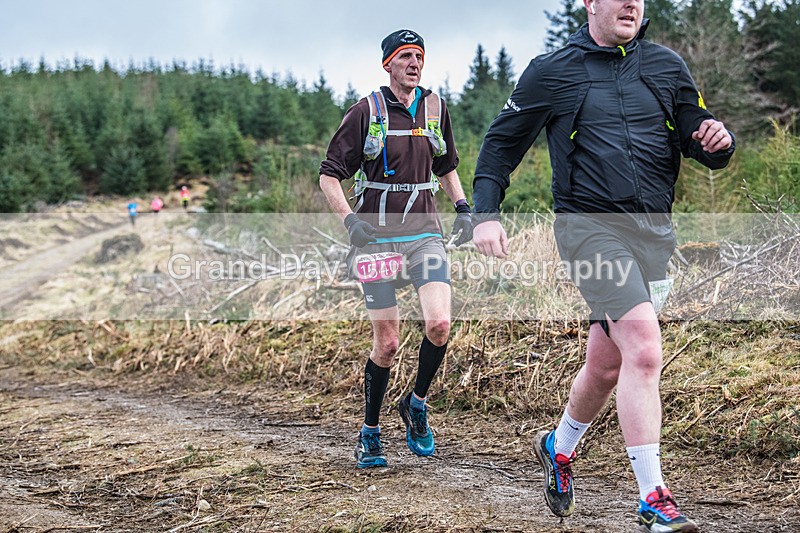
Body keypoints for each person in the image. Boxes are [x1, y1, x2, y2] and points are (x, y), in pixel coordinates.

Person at [471, 1, 734, 531]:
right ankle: (653, 496)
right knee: (644, 348)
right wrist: (485, 214)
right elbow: (501, 143)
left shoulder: (665, 66)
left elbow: (696, 132)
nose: (632, 3)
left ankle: (558, 446)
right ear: (590, 1)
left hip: (654, 235)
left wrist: (715, 141)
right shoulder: (554, 70)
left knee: (608, 363)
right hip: (587, 232)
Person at [319, 29, 473, 469]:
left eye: (419, 56)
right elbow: (330, 175)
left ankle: (416, 404)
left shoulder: (435, 108)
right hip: (376, 241)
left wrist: (462, 206)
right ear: (387, 64)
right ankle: (370, 433)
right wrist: (350, 222)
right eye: (405, 56)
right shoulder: (365, 111)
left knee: (440, 324)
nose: (414, 63)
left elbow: (446, 165)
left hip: (425, 234)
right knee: (387, 344)